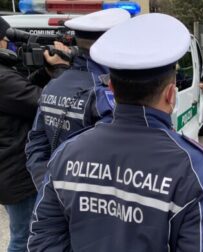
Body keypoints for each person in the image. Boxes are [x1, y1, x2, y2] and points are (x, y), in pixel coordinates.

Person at [27, 13, 203, 252]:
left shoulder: (65, 153)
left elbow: (42, 241)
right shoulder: (199, 172)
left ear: (110, 87)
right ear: (171, 94)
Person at [25, 8, 131, 191]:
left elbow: (35, 146)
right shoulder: (105, 92)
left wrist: (50, 191)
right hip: (97, 206)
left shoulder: (53, 85)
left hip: (59, 199)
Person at [0, 16, 69, 252]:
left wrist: (45, 71)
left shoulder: (5, 76)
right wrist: (61, 71)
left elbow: (23, 90)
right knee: (25, 237)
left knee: (23, 233)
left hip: (9, 170)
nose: (7, 44)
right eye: (4, 39)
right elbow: (43, 102)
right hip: (16, 173)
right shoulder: (2, 78)